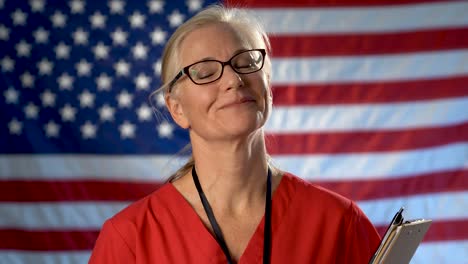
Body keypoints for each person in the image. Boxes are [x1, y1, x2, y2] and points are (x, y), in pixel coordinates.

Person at [89, 4, 380, 263]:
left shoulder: (340, 223)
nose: (233, 79)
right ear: (177, 109)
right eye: (204, 73)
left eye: (246, 63)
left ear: (266, 82)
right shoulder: (129, 239)